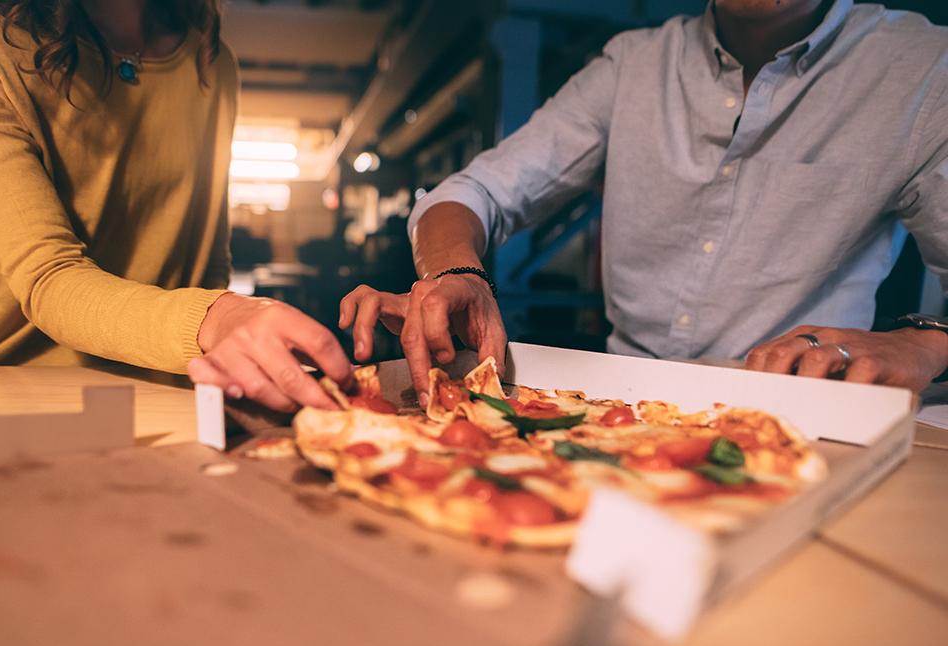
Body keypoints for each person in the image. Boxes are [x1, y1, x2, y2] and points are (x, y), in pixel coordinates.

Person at [340, 0, 948, 403]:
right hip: (624, 408)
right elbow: (472, 193)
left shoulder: (924, 70)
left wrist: (923, 344)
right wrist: (455, 271)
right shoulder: (631, 64)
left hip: (807, 414)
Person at [0, 0, 352, 411]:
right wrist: (218, 317)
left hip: (158, 386)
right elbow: (48, 276)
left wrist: (223, 347)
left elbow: (205, 259)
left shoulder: (211, 62)